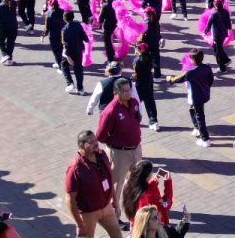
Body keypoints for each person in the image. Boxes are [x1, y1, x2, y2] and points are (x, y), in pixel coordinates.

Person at [96, 78, 142, 224]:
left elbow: (137, 119)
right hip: (120, 153)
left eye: (130, 89)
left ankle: (136, 208)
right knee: (117, 185)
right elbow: (100, 136)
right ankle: (115, 216)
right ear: (116, 92)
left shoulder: (134, 102)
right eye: (125, 91)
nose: (129, 93)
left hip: (136, 149)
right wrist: (113, 144)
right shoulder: (110, 111)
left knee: (137, 180)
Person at [65, 130, 122, 238]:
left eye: (96, 140)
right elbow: (69, 198)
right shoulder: (75, 168)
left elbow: (109, 180)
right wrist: (79, 224)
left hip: (106, 207)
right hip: (88, 213)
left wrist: (115, 202)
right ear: (82, 145)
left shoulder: (102, 155)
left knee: (117, 234)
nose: (96, 143)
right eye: (91, 142)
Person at [169, 49, 214, 147]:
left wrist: (170, 79)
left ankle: (205, 139)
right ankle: (197, 128)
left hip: (196, 97)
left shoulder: (191, 72)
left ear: (193, 60)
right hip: (204, 94)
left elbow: (179, 79)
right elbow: (211, 80)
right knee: (194, 112)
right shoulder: (207, 68)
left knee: (200, 117)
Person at [120, 160, 174, 229]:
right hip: (152, 230)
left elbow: (142, 187)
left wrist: (152, 182)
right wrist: (168, 183)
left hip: (137, 227)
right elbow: (166, 204)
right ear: (148, 175)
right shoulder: (150, 194)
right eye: (151, 171)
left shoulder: (128, 186)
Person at [62, 11, 87, 95]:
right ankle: (80, 88)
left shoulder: (64, 30)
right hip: (79, 50)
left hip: (70, 52)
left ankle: (70, 83)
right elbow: (84, 35)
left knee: (64, 65)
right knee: (78, 69)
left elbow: (65, 45)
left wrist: (68, 56)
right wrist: (87, 39)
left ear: (64, 19)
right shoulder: (78, 24)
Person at [0, 0, 19, 65]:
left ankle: (4, 54)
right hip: (13, 26)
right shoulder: (14, 3)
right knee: (10, 43)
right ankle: (9, 59)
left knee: (0, 40)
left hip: (3, 27)